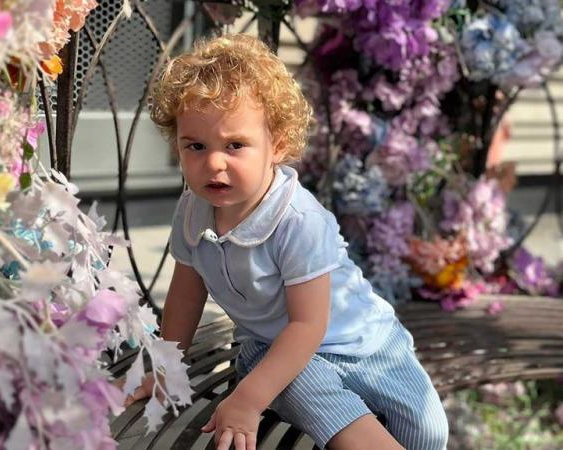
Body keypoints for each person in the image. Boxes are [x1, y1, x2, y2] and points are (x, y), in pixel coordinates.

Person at [126, 33, 449, 450]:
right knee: (321, 403)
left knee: (429, 433)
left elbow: (309, 323)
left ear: (276, 145)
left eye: (235, 145)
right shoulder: (192, 209)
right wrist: (171, 369)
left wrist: (249, 398)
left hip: (366, 342)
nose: (213, 163)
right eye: (196, 146)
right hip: (278, 348)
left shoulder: (296, 219)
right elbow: (186, 295)